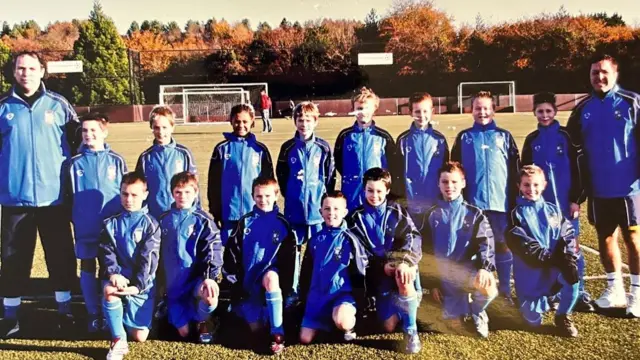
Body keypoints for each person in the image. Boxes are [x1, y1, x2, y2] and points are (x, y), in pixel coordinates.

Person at [0, 51, 80, 337]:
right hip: (14, 200)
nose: (26, 73)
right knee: (12, 260)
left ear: (42, 71)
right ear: (14, 72)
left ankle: (65, 311)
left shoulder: (59, 105)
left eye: (32, 68)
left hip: (54, 198)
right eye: (21, 68)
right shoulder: (3, 107)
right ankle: (10, 315)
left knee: (60, 257)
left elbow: (78, 146)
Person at [566, 53, 640, 316]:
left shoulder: (633, 102)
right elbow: (571, 148)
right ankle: (614, 289)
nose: (599, 77)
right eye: (595, 72)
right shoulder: (582, 109)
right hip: (598, 188)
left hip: (630, 188)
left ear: (615, 74)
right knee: (605, 237)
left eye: (604, 71)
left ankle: (637, 293)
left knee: (633, 238)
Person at [521, 92, 594, 312]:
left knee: (572, 249)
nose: (544, 115)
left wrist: (575, 200)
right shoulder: (532, 140)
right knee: (548, 248)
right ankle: (552, 292)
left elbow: (579, 169)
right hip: (542, 208)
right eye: (540, 111)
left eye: (548, 111)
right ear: (534, 113)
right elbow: (524, 174)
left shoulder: (567, 137)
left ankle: (579, 291)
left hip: (565, 205)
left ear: (555, 111)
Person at [451, 91, 520, 304]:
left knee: (502, 245)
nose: (482, 112)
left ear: (493, 109)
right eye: (478, 108)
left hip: (500, 204)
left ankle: (505, 291)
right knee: (472, 247)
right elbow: (455, 171)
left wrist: (514, 201)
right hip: (473, 206)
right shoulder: (464, 137)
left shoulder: (504, 136)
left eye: (486, 108)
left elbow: (515, 170)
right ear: (471, 110)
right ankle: (471, 290)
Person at [347, 167, 422, 354]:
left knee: (403, 274)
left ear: (387, 191)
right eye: (370, 190)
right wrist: (382, 267)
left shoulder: (397, 211)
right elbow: (358, 253)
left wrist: (403, 261)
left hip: (399, 267)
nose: (374, 195)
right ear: (363, 189)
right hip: (378, 274)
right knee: (388, 326)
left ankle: (411, 331)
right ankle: (403, 303)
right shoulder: (356, 218)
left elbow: (413, 237)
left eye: (379, 191)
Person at [66, 113, 128, 333]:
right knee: (88, 266)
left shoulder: (117, 160)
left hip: (112, 228)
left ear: (104, 132)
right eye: (84, 131)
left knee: (112, 268)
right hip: (86, 226)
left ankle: (113, 309)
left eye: (93, 130)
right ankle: (94, 313)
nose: (88, 134)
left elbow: (126, 194)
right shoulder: (74, 163)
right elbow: (68, 195)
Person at [421, 161, 497, 338]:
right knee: (453, 325)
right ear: (438, 184)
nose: (450, 186)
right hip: (442, 278)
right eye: (445, 182)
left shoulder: (474, 213)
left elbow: (486, 242)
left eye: (454, 182)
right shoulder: (431, 214)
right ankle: (455, 305)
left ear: (463, 183)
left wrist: (485, 268)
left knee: (489, 287)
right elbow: (425, 252)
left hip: (466, 272)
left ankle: (477, 312)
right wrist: (432, 283)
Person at [222, 177, 296, 355]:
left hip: (271, 281)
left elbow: (291, 262)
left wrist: (288, 291)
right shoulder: (244, 222)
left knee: (271, 277)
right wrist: (234, 285)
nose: (263, 200)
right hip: (248, 287)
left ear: (277, 195)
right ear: (253, 196)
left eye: (268, 195)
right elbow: (231, 255)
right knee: (255, 330)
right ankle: (260, 316)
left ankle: (278, 334)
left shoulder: (283, 224)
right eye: (259, 196)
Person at [507, 165, 580, 337]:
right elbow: (521, 242)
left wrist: (568, 257)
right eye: (526, 185)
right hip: (530, 275)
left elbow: (568, 233)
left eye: (536, 185)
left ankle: (563, 315)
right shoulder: (516, 214)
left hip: (553, 269)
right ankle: (534, 301)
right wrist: (548, 257)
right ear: (519, 186)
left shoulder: (553, 210)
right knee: (533, 322)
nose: (531, 189)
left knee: (572, 276)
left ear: (544, 185)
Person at [276, 101, 335, 305]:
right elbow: (282, 176)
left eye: (308, 120)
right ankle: (292, 290)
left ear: (315, 122)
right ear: (295, 121)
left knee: (319, 249)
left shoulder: (323, 147)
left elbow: (329, 177)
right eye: (300, 120)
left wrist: (322, 201)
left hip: (317, 212)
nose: (304, 124)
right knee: (294, 251)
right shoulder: (287, 148)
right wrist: (292, 195)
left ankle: (317, 287)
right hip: (294, 210)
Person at [99, 172, 161, 360]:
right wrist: (113, 273)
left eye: (134, 195)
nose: (129, 199)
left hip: (141, 284)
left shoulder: (151, 224)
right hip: (119, 278)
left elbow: (148, 260)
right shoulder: (111, 223)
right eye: (125, 194)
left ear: (145, 195)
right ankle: (118, 339)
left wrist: (137, 286)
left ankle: (118, 314)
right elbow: (106, 252)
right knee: (110, 290)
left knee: (140, 337)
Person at [158, 172, 222, 344]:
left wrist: (208, 278)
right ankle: (170, 308)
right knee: (185, 333)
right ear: (172, 193)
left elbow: (213, 250)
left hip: (195, 282)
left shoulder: (203, 220)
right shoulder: (163, 220)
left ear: (195, 193)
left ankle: (205, 320)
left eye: (187, 192)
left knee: (209, 294)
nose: (182, 196)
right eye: (178, 192)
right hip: (173, 287)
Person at [298, 191, 367, 344]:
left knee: (343, 321)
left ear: (345, 212)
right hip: (318, 297)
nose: (331, 213)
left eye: (336, 209)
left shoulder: (351, 239)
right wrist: (303, 297)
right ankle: (328, 320)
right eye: (327, 209)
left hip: (341, 295)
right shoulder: (314, 240)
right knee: (304, 339)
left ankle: (347, 325)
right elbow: (306, 273)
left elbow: (361, 271)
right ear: (320, 212)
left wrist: (361, 300)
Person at [208, 104, 274, 245]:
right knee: (230, 257)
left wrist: (269, 207)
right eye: (237, 121)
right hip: (229, 213)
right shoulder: (221, 149)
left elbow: (270, 183)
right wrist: (216, 211)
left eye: (245, 122)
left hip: (255, 212)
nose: (241, 125)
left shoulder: (260, 150)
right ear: (231, 121)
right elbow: (213, 183)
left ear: (252, 122)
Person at [335, 88, 397, 211]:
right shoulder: (345, 136)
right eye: (359, 108)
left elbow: (393, 165)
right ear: (353, 110)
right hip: (352, 193)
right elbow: (339, 163)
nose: (363, 112)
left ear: (374, 108)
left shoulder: (383, 136)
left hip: (376, 194)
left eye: (366, 108)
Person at [135, 105, 197, 219]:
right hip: (154, 216)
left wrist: (196, 211)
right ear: (151, 128)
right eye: (156, 127)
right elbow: (138, 189)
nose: (160, 132)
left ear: (172, 127)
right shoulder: (145, 157)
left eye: (165, 127)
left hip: (179, 215)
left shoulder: (184, 154)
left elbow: (194, 186)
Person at [396, 92, 449, 219]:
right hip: (411, 202)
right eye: (417, 111)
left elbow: (446, 169)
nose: (422, 115)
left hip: (435, 200)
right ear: (410, 112)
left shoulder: (439, 139)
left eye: (425, 111)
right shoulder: (403, 140)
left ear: (432, 111)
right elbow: (396, 170)